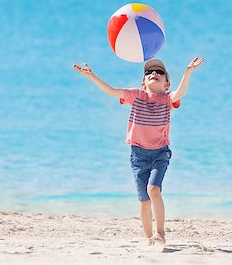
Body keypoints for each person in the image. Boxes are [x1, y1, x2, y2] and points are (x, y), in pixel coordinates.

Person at [73, 57, 205, 245]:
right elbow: (111, 91)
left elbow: (181, 91)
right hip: (138, 156)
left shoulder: (167, 99)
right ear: (143, 83)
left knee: (154, 189)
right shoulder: (136, 95)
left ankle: (161, 233)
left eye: (160, 73)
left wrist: (188, 71)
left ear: (167, 84)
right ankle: (149, 238)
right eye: (149, 72)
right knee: (144, 202)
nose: (154, 74)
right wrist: (92, 76)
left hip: (160, 153)